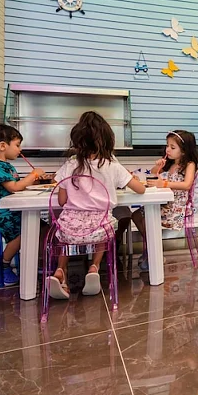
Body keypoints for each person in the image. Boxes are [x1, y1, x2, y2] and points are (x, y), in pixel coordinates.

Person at [49, 111, 147, 299]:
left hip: (71, 230)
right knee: (105, 228)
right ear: (108, 140)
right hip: (99, 229)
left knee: (63, 232)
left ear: (77, 142)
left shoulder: (70, 165)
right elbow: (140, 189)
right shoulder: (112, 165)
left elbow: (61, 201)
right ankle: (94, 267)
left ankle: (61, 270)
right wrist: (127, 176)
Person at [117, 130, 198, 272]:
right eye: (167, 146)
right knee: (136, 215)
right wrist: (158, 165)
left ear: (184, 150)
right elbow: (154, 173)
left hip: (176, 207)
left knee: (146, 217)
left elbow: (187, 185)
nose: (168, 150)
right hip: (164, 202)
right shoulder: (170, 164)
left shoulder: (189, 164)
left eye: (172, 147)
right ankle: (153, 249)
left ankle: (152, 252)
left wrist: (164, 184)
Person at [0, 124, 45, 286]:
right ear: (2, 146)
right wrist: (33, 174)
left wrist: (37, 181)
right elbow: (14, 187)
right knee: (24, 232)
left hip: (11, 210)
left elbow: (18, 186)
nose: (20, 150)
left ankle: (35, 262)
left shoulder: (6, 166)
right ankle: (2, 265)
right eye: (17, 145)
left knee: (41, 227)